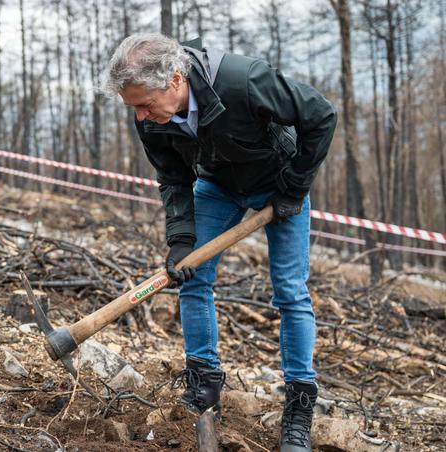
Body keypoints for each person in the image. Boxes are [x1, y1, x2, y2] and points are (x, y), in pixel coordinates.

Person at [103, 33, 337, 452]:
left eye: (143, 104)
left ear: (175, 80)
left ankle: (299, 406)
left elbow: (320, 115)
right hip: (218, 184)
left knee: (290, 292)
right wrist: (181, 240)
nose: (139, 115)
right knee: (192, 275)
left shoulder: (242, 80)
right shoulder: (150, 119)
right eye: (133, 106)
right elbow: (173, 177)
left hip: (279, 184)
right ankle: (203, 384)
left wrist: (295, 185)